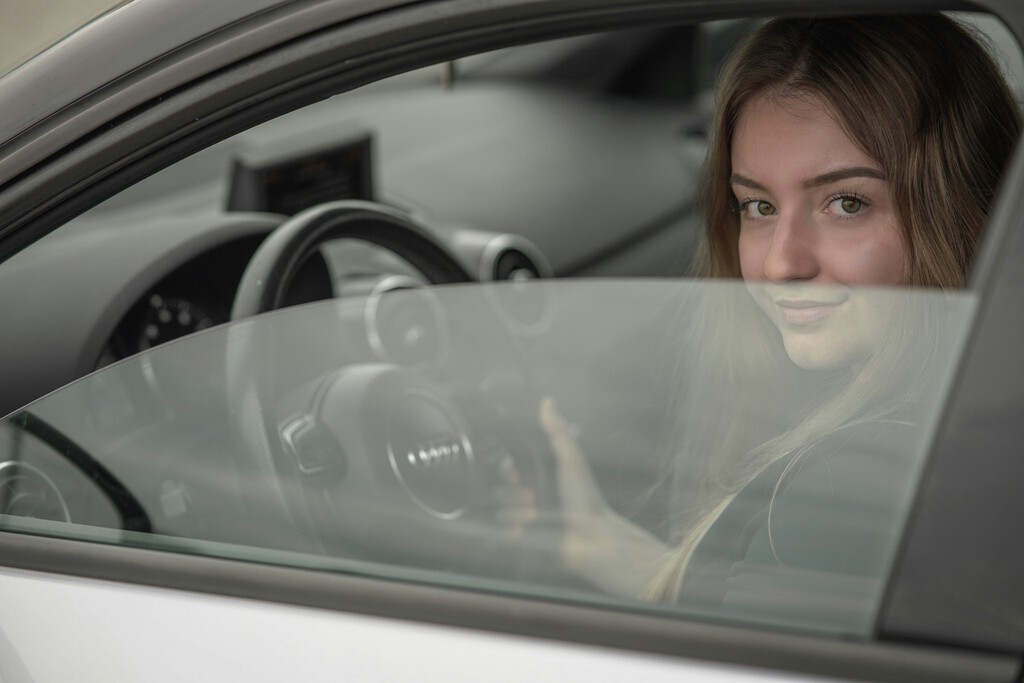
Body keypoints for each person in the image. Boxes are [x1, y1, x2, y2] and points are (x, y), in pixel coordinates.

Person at [537, 13, 1022, 616]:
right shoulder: (964, 432)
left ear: (955, 209)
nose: (779, 264)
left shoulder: (850, 488)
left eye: (847, 203)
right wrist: (607, 550)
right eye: (758, 206)